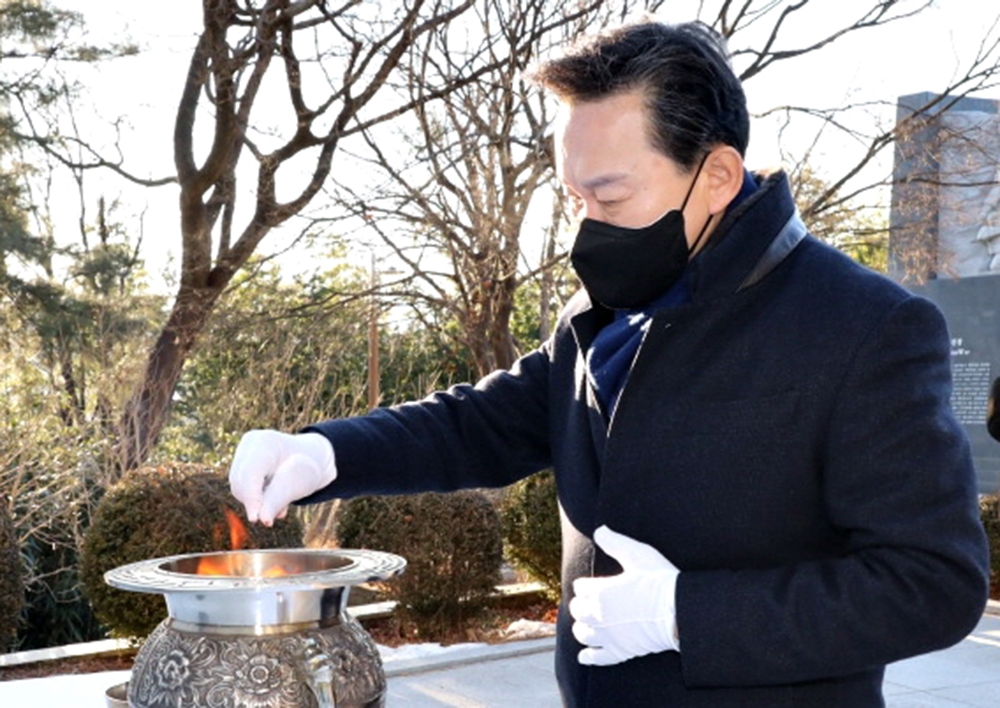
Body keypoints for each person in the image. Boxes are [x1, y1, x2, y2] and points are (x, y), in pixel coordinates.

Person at [229, 20, 989, 707]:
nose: (587, 228)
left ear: (718, 177)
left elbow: (932, 584)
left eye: (611, 196)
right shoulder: (607, 311)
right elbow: (484, 424)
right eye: (574, 197)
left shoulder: (865, 327)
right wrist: (323, 451)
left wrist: (684, 615)